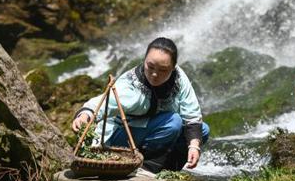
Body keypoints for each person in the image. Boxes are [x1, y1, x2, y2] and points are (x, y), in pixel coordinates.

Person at [72, 37, 209, 173]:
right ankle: (145, 168)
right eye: (150, 66)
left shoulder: (179, 78)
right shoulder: (130, 87)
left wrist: (194, 146)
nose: (155, 74)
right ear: (144, 61)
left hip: (153, 130)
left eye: (163, 70)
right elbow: (101, 104)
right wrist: (84, 116)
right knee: (174, 122)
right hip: (121, 136)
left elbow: (192, 114)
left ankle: (167, 170)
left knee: (201, 131)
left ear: (173, 68)